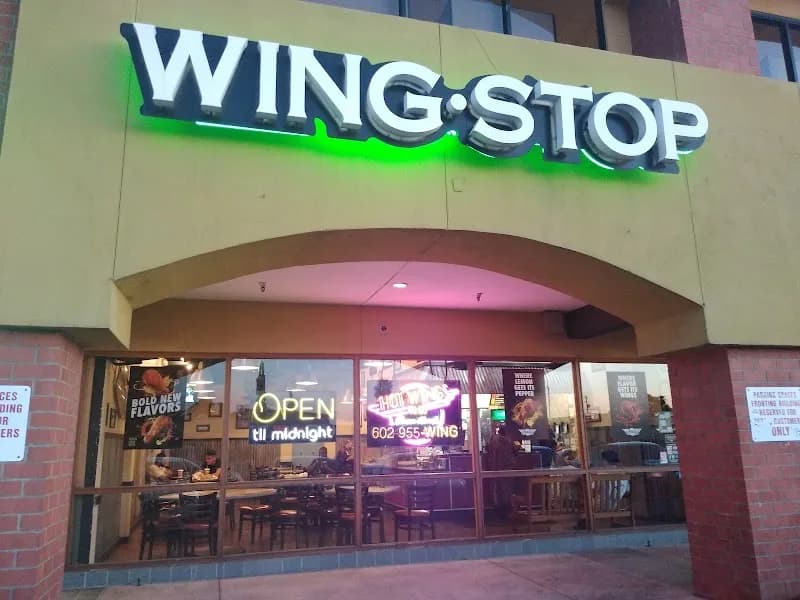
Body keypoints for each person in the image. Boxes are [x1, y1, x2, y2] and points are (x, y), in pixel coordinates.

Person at [486, 425, 517, 517]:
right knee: (506, 490)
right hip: (506, 468)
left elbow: (487, 449)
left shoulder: (492, 439)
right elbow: (515, 452)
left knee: (496, 489)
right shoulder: (508, 441)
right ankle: (506, 510)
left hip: (494, 467)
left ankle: (498, 509)